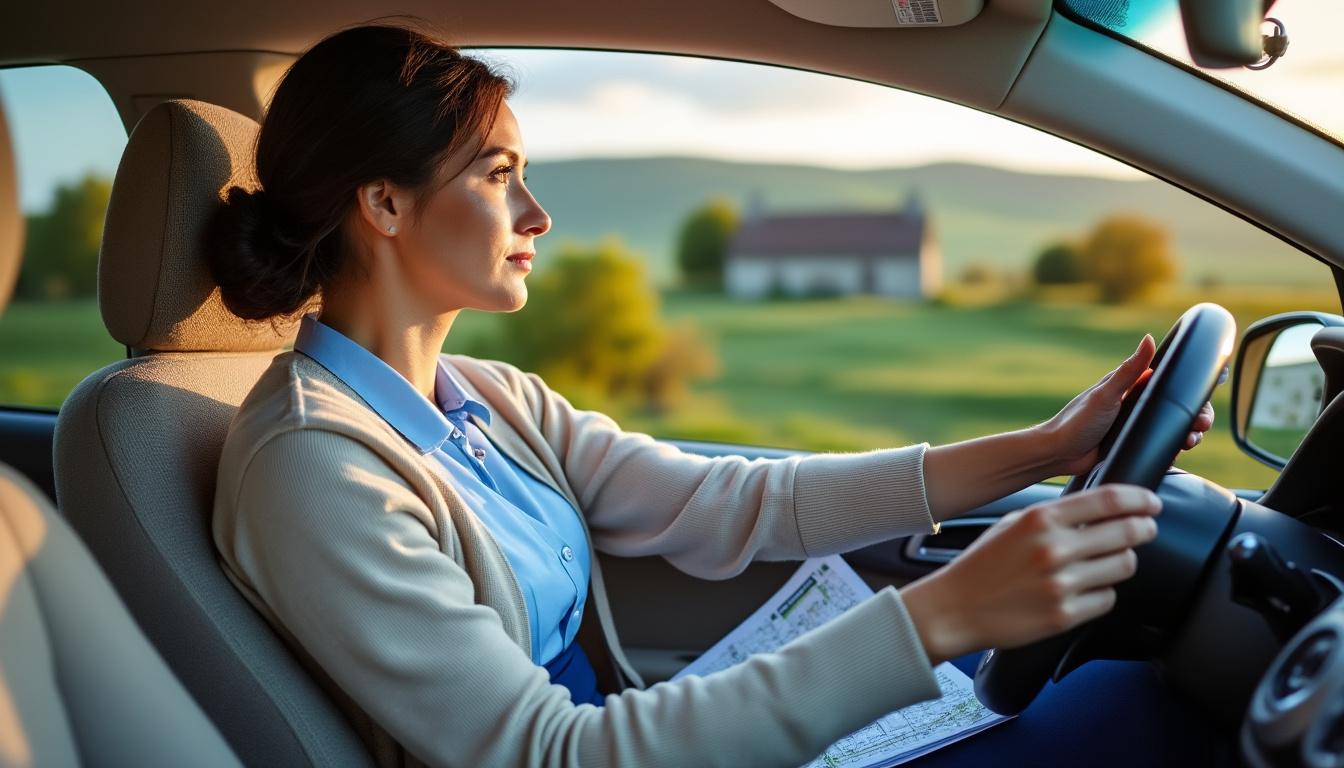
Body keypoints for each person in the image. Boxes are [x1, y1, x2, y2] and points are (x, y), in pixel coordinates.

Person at [207, 23, 1217, 768]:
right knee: (1142, 718)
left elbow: (736, 501)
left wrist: (1045, 448)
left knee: (1123, 698)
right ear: (383, 203)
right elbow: (541, 754)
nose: (537, 213)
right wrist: (938, 619)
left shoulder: (489, 399)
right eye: (498, 177)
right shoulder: (314, 470)